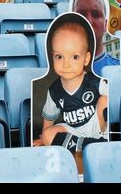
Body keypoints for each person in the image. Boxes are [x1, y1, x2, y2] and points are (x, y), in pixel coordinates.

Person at [33, 13, 108, 154]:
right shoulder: (54, 90)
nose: (66, 64)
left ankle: (103, 140)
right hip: (72, 131)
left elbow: (113, 95)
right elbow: (49, 117)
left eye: (74, 57)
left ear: (86, 59)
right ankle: (86, 146)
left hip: (97, 126)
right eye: (59, 56)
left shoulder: (94, 82)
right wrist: (44, 138)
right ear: (52, 57)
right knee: (48, 134)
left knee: (106, 99)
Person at [70, 0, 120, 76]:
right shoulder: (56, 71)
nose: (88, 21)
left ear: (105, 25)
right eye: (81, 14)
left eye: (96, 14)